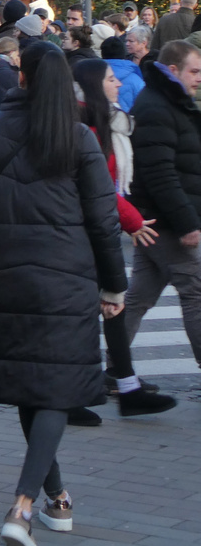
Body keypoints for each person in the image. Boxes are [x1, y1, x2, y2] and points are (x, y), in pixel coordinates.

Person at [0, 43, 126, 546]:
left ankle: (58, 498)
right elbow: (102, 219)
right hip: (66, 276)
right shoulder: (77, 138)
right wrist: (113, 283)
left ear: (20, 77)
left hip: (7, 273)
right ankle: (22, 506)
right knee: (52, 386)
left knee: (34, 384)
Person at [72, 58, 177, 417]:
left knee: (113, 302)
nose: (118, 84)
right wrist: (132, 219)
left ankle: (125, 382)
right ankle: (72, 396)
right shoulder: (86, 125)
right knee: (91, 308)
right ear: (92, 85)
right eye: (112, 79)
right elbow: (97, 183)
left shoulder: (108, 121)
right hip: (83, 229)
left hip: (99, 224)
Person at [122, 39, 201, 373]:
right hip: (165, 221)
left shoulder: (170, 101)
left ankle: (114, 368)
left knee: (139, 298)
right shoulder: (158, 105)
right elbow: (159, 172)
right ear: (173, 70)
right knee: (196, 293)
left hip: (156, 218)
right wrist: (186, 222)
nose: (199, 77)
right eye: (194, 71)